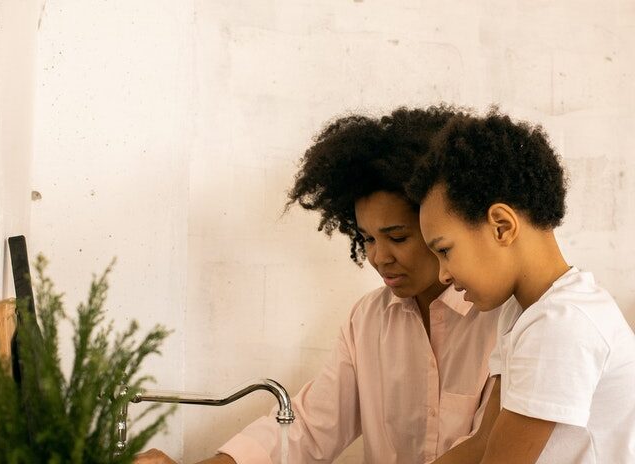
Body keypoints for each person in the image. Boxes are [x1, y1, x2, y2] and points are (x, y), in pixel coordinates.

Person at [135, 106, 501, 464]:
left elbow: (492, 449)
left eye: (397, 237)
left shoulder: (501, 318)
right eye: (368, 238)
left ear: (438, 225)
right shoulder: (367, 320)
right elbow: (308, 428)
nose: (379, 257)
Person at [406, 109, 635, 463]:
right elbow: (483, 444)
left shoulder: (561, 323)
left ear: (501, 226)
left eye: (445, 251)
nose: (443, 276)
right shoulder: (524, 311)